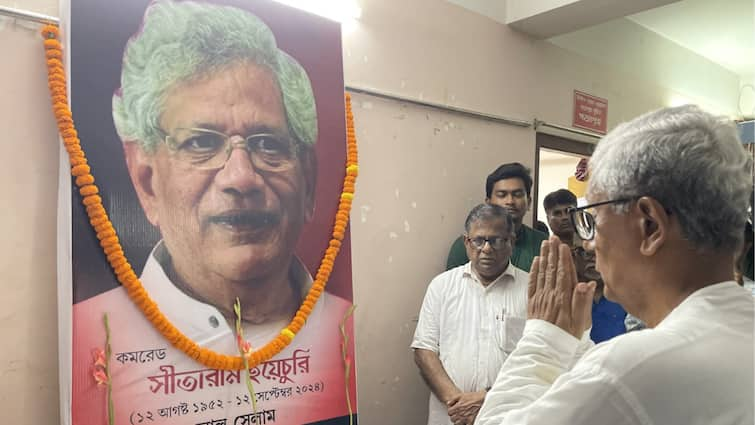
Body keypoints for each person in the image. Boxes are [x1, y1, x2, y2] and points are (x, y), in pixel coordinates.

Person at [72, 2, 355, 424]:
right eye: (201, 143)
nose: (241, 178)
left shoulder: (343, 327)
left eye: (268, 143)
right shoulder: (90, 336)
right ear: (147, 181)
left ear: (309, 182)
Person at [476, 105, 754, 424]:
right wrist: (578, 348)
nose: (589, 244)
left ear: (650, 226)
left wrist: (544, 341)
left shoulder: (635, 370)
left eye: (592, 219)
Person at [413, 204, 529, 425]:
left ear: (511, 241)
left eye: (495, 240)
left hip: (508, 416)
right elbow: (424, 350)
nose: (486, 249)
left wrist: (488, 400)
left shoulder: (533, 290)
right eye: (478, 240)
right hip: (451, 417)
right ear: (466, 242)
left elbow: (540, 361)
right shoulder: (442, 286)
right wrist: (459, 404)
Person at [544, 188, 626, 342]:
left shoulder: (623, 295)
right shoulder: (548, 258)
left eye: (569, 211)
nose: (564, 218)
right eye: (557, 213)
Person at [446, 163, 547, 272]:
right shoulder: (468, 244)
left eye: (517, 194)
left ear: (529, 202)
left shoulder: (544, 245)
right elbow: (453, 285)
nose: (510, 201)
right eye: (502, 195)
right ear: (488, 203)